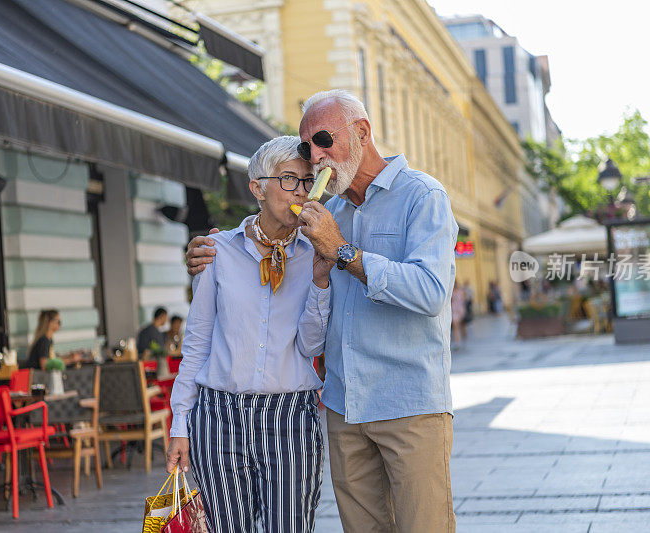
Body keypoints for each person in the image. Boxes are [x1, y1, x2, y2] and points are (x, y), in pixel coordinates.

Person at [186, 89, 458, 532]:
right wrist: (210, 250)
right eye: (307, 146)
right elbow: (264, 246)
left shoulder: (422, 196)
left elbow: (430, 292)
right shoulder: (327, 209)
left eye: (324, 140)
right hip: (344, 406)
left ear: (363, 133)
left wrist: (345, 251)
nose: (314, 156)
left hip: (408, 403)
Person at [166, 136, 333, 532]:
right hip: (218, 416)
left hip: (290, 416)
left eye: (308, 182)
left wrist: (321, 283)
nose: (302, 191)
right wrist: (179, 425)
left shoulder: (316, 253)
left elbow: (312, 345)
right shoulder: (216, 252)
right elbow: (197, 344)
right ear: (257, 187)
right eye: (290, 179)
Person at [451, 280, 466, 348]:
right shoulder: (451, 292)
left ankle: (464, 335)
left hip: (460, 310)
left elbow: (464, 300)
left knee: (462, 325)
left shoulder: (460, 292)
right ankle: (457, 341)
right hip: (454, 311)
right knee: (455, 326)